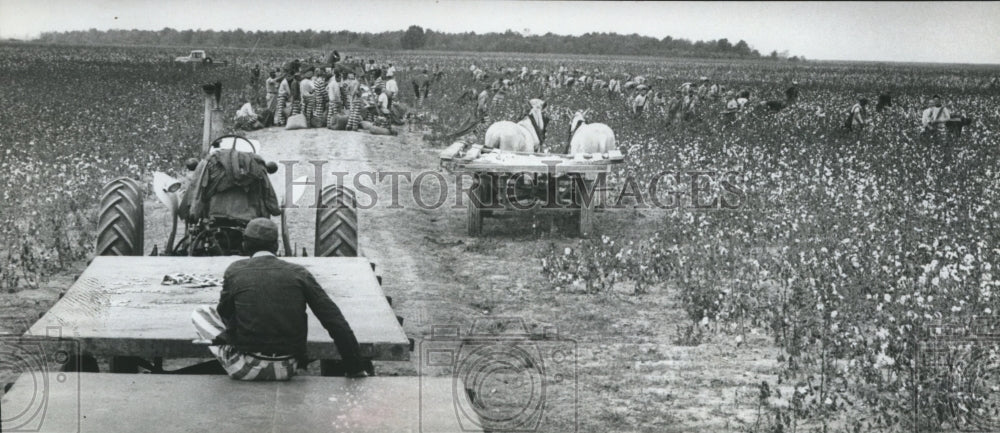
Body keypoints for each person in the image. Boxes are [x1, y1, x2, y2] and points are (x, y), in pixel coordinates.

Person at [191, 218, 369, 381]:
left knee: (201, 313)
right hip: (288, 368)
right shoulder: (299, 273)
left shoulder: (235, 270)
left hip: (246, 368)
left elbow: (224, 314)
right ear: (276, 245)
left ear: (245, 245)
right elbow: (335, 321)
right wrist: (355, 368)